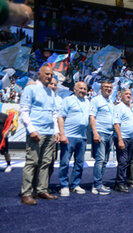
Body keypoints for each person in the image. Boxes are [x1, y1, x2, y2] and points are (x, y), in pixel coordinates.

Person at [20, 64, 59, 205]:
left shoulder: (51, 92)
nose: (49, 76)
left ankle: (41, 190)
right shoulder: (30, 89)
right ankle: (26, 193)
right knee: (32, 162)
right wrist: (31, 130)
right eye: (47, 74)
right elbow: (24, 111)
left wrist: (56, 132)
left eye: (51, 75)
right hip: (36, 133)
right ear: (39, 73)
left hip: (49, 133)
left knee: (45, 163)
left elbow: (54, 114)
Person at [58, 82, 89, 197]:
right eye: (80, 88)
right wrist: (62, 134)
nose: (83, 90)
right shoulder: (68, 100)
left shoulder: (87, 102)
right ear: (74, 89)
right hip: (69, 136)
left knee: (79, 163)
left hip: (82, 137)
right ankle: (64, 185)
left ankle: (75, 184)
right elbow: (61, 117)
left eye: (85, 89)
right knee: (65, 162)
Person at [89, 80, 114, 195]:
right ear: (101, 88)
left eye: (110, 87)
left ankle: (99, 183)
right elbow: (92, 117)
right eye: (106, 87)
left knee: (104, 161)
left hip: (110, 134)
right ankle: (97, 185)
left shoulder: (110, 102)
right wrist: (95, 132)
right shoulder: (95, 100)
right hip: (100, 133)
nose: (108, 89)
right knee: (100, 160)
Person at [113, 89, 133, 193]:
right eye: (126, 94)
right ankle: (120, 183)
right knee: (122, 161)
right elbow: (116, 124)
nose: (128, 96)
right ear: (121, 96)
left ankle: (123, 181)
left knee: (126, 161)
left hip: (129, 138)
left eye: (130, 94)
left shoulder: (128, 107)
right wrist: (120, 139)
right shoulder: (118, 107)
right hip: (123, 138)